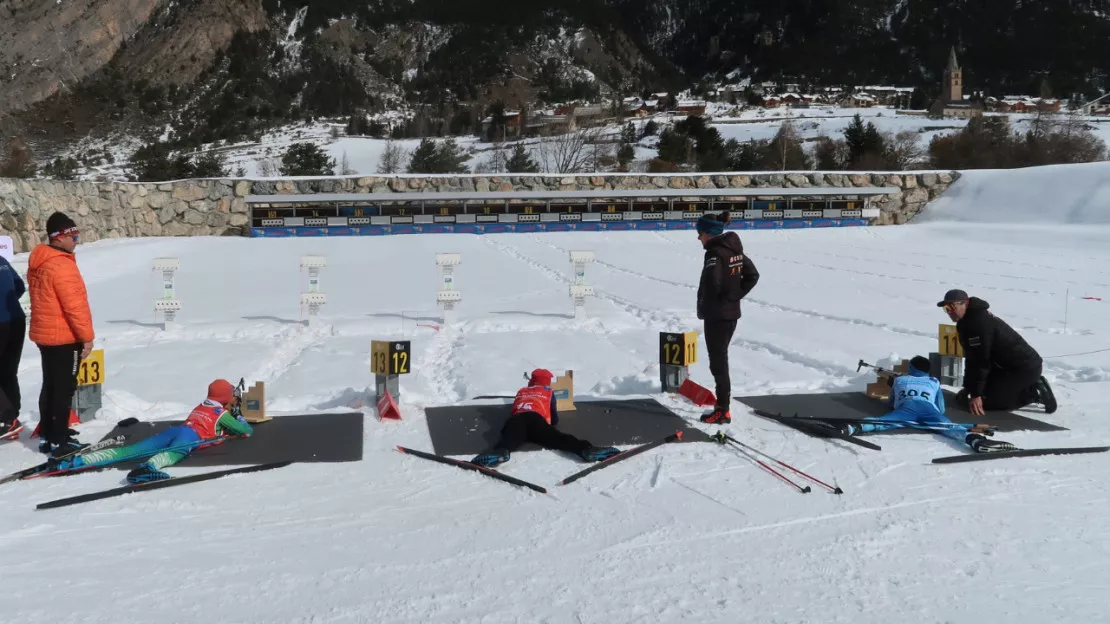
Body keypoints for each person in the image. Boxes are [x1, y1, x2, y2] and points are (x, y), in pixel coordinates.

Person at [53, 379, 254, 483]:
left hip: (177, 430)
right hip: (190, 436)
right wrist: (240, 418)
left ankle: (79, 461)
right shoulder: (221, 413)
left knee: (130, 450)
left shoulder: (202, 404)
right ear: (224, 396)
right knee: (172, 454)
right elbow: (245, 432)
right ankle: (147, 469)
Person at [837, 356, 1017, 453]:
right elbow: (941, 407)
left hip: (906, 408)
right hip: (929, 410)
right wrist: (931, 418)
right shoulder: (934, 382)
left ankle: (853, 427)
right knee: (949, 427)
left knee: (883, 422)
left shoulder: (901, 380)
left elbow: (892, 404)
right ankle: (975, 440)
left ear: (911, 369)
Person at [27, 211, 95, 457]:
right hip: (64, 336)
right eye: (74, 237)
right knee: (64, 387)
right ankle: (59, 439)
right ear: (60, 238)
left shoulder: (41, 259)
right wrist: (86, 337)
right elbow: (74, 306)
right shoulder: (61, 265)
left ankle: (51, 429)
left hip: (47, 334)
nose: (76, 241)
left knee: (51, 384)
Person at [937, 289, 1056, 417]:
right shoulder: (967, 320)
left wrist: (976, 395)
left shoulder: (977, 324)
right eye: (946, 308)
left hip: (1024, 368)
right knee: (975, 396)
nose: (949, 312)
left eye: (951, 307)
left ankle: (1033, 392)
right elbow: (972, 357)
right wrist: (969, 388)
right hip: (1003, 366)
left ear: (965, 303)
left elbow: (980, 361)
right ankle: (1024, 386)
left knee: (987, 403)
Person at [470, 368, 620, 467]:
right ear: (547, 383)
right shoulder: (548, 392)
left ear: (531, 382)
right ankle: (586, 450)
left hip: (517, 418)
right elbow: (554, 418)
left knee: (509, 439)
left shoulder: (522, 391)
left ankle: (500, 452)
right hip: (536, 420)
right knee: (560, 439)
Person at [694, 211, 760, 425]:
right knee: (720, 360)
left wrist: (722, 298)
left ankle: (723, 410)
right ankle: (723, 407)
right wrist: (735, 295)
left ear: (709, 233)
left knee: (718, 363)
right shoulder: (734, 249)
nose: (698, 238)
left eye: (700, 233)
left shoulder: (714, 253)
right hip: (729, 314)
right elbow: (752, 275)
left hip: (718, 315)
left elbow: (714, 282)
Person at [0, 254, 26, 438]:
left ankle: (6, 419)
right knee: (8, 371)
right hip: (16, 319)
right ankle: (12, 418)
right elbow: (19, 286)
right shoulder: (1, 260)